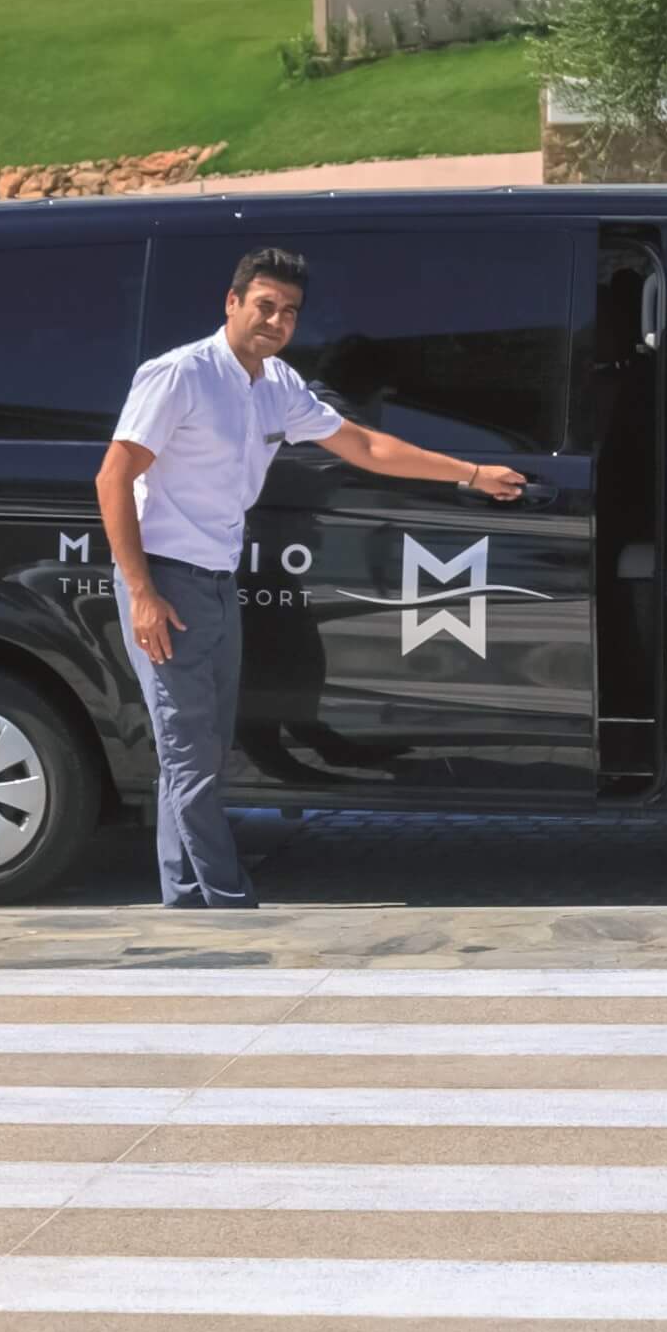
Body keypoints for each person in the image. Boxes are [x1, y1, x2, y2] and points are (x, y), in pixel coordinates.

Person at [94, 248, 527, 908]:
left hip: (216, 582)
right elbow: (113, 476)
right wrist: (142, 593)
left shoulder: (277, 386)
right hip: (164, 582)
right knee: (188, 755)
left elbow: (365, 446)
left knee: (205, 753)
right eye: (264, 305)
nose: (275, 320)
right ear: (231, 302)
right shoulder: (180, 374)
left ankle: (185, 900)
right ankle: (227, 900)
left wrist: (469, 474)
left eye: (289, 311)